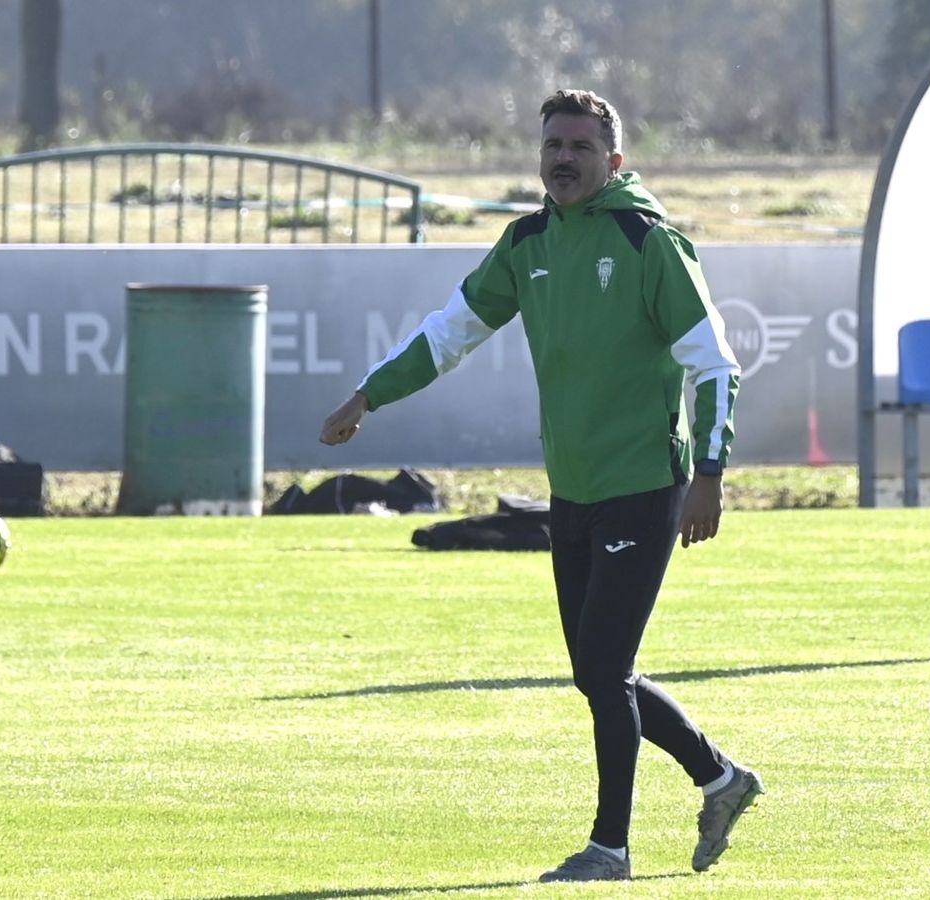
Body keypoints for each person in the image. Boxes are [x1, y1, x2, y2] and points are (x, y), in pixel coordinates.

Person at [319, 89, 762, 882]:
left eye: (581, 147)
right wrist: (368, 395)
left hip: (644, 481)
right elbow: (448, 334)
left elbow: (715, 366)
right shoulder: (526, 243)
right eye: (553, 145)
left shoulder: (648, 242)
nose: (563, 159)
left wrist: (710, 474)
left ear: (613, 161)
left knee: (604, 669)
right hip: (573, 487)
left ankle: (609, 849)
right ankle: (721, 778)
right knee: (599, 672)